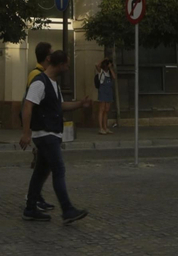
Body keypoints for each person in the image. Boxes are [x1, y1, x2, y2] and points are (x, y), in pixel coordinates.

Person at [20, 49, 91, 224]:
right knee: (58, 169)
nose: (67, 68)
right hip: (45, 134)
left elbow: (60, 106)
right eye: (67, 65)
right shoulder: (39, 82)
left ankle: (30, 208)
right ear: (59, 64)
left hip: (51, 133)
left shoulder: (53, 84)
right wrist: (26, 133)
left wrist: (80, 104)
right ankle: (67, 210)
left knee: (41, 172)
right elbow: (28, 106)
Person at [25, 42, 54, 212]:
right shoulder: (36, 76)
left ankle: (36, 197)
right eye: (51, 54)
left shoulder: (42, 74)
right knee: (42, 167)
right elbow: (30, 104)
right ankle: (33, 198)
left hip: (43, 127)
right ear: (47, 57)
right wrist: (27, 132)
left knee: (43, 166)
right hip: (39, 128)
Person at [93, 58, 116, 135]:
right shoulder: (101, 71)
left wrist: (110, 68)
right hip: (103, 91)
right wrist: (104, 59)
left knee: (106, 110)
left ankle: (105, 127)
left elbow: (114, 77)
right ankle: (101, 128)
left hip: (109, 91)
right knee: (101, 109)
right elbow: (96, 65)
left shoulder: (109, 72)